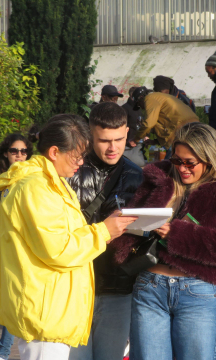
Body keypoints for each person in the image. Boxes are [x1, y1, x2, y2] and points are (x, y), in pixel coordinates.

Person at [0, 114, 137, 360]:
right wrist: (104, 231)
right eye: (77, 155)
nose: (81, 161)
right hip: (46, 309)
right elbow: (58, 248)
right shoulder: (36, 187)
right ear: (54, 152)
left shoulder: (50, 183)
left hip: (51, 305)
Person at [111, 122, 216, 360]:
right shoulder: (158, 177)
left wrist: (177, 234)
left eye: (190, 162)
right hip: (149, 287)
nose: (182, 168)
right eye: (177, 161)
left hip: (198, 291)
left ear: (209, 158)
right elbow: (130, 225)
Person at [67, 102, 143, 360]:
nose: (113, 147)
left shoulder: (138, 176)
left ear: (128, 132)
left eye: (119, 139)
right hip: (75, 287)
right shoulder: (68, 171)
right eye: (104, 140)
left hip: (118, 288)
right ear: (90, 135)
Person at [0, 133, 32, 360]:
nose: (19, 155)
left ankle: (10, 352)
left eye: (24, 151)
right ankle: (4, 354)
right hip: (2, 245)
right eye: (15, 151)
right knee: (11, 300)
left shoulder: (33, 176)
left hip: (27, 246)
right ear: (6, 152)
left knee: (20, 299)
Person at [131, 86, 199, 149]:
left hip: (180, 131)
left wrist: (136, 139)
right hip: (193, 126)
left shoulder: (149, 98)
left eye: (139, 104)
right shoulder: (160, 97)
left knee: (173, 160)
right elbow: (165, 121)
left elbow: (149, 123)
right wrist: (156, 141)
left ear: (141, 98)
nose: (141, 108)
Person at [122, 86, 145, 167]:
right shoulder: (125, 108)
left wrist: (147, 136)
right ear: (132, 95)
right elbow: (123, 127)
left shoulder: (141, 108)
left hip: (142, 142)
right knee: (140, 163)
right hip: (130, 144)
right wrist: (127, 140)